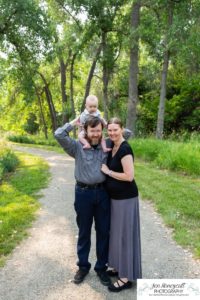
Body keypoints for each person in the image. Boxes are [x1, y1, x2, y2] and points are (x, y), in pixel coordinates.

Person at [54, 116, 111, 286]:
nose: (96, 134)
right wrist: (73, 122)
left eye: (99, 130)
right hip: (83, 194)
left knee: (103, 232)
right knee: (84, 231)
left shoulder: (107, 145)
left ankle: (101, 268)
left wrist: (106, 123)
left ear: (102, 130)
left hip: (102, 194)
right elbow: (58, 134)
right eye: (92, 130)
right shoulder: (77, 147)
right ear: (86, 130)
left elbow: (126, 134)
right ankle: (83, 267)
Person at [101, 117, 142, 292]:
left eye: (115, 130)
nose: (112, 133)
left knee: (124, 237)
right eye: (109, 130)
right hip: (116, 199)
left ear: (122, 129)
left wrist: (108, 171)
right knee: (117, 235)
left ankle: (126, 278)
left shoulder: (125, 148)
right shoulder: (112, 145)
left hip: (126, 199)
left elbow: (129, 176)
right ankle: (118, 267)